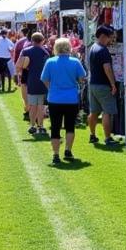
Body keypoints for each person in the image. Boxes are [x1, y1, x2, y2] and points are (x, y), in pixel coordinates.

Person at [40, 37, 86, 165]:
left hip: (54, 98)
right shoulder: (75, 62)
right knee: (70, 126)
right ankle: (68, 150)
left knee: (55, 127)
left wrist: (51, 88)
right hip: (71, 98)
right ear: (69, 47)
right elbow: (82, 78)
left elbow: (44, 79)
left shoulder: (50, 62)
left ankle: (55, 154)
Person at [87, 24, 120, 146]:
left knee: (94, 111)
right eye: (110, 37)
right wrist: (113, 84)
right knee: (107, 112)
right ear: (103, 36)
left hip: (93, 84)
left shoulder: (93, 48)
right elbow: (107, 69)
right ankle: (107, 138)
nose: (111, 40)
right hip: (103, 85)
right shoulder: (103, 50)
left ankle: (92, 135)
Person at [18, 31, 50, 135]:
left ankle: (32, 125)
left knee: (32, 105)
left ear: (32, 41)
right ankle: (40, 126)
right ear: (43, 41)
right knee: (41, 106)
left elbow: (18, 65)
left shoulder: (25, 51)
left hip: (30, 80)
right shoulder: (46, 52)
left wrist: (25, 67)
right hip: (43, 81)